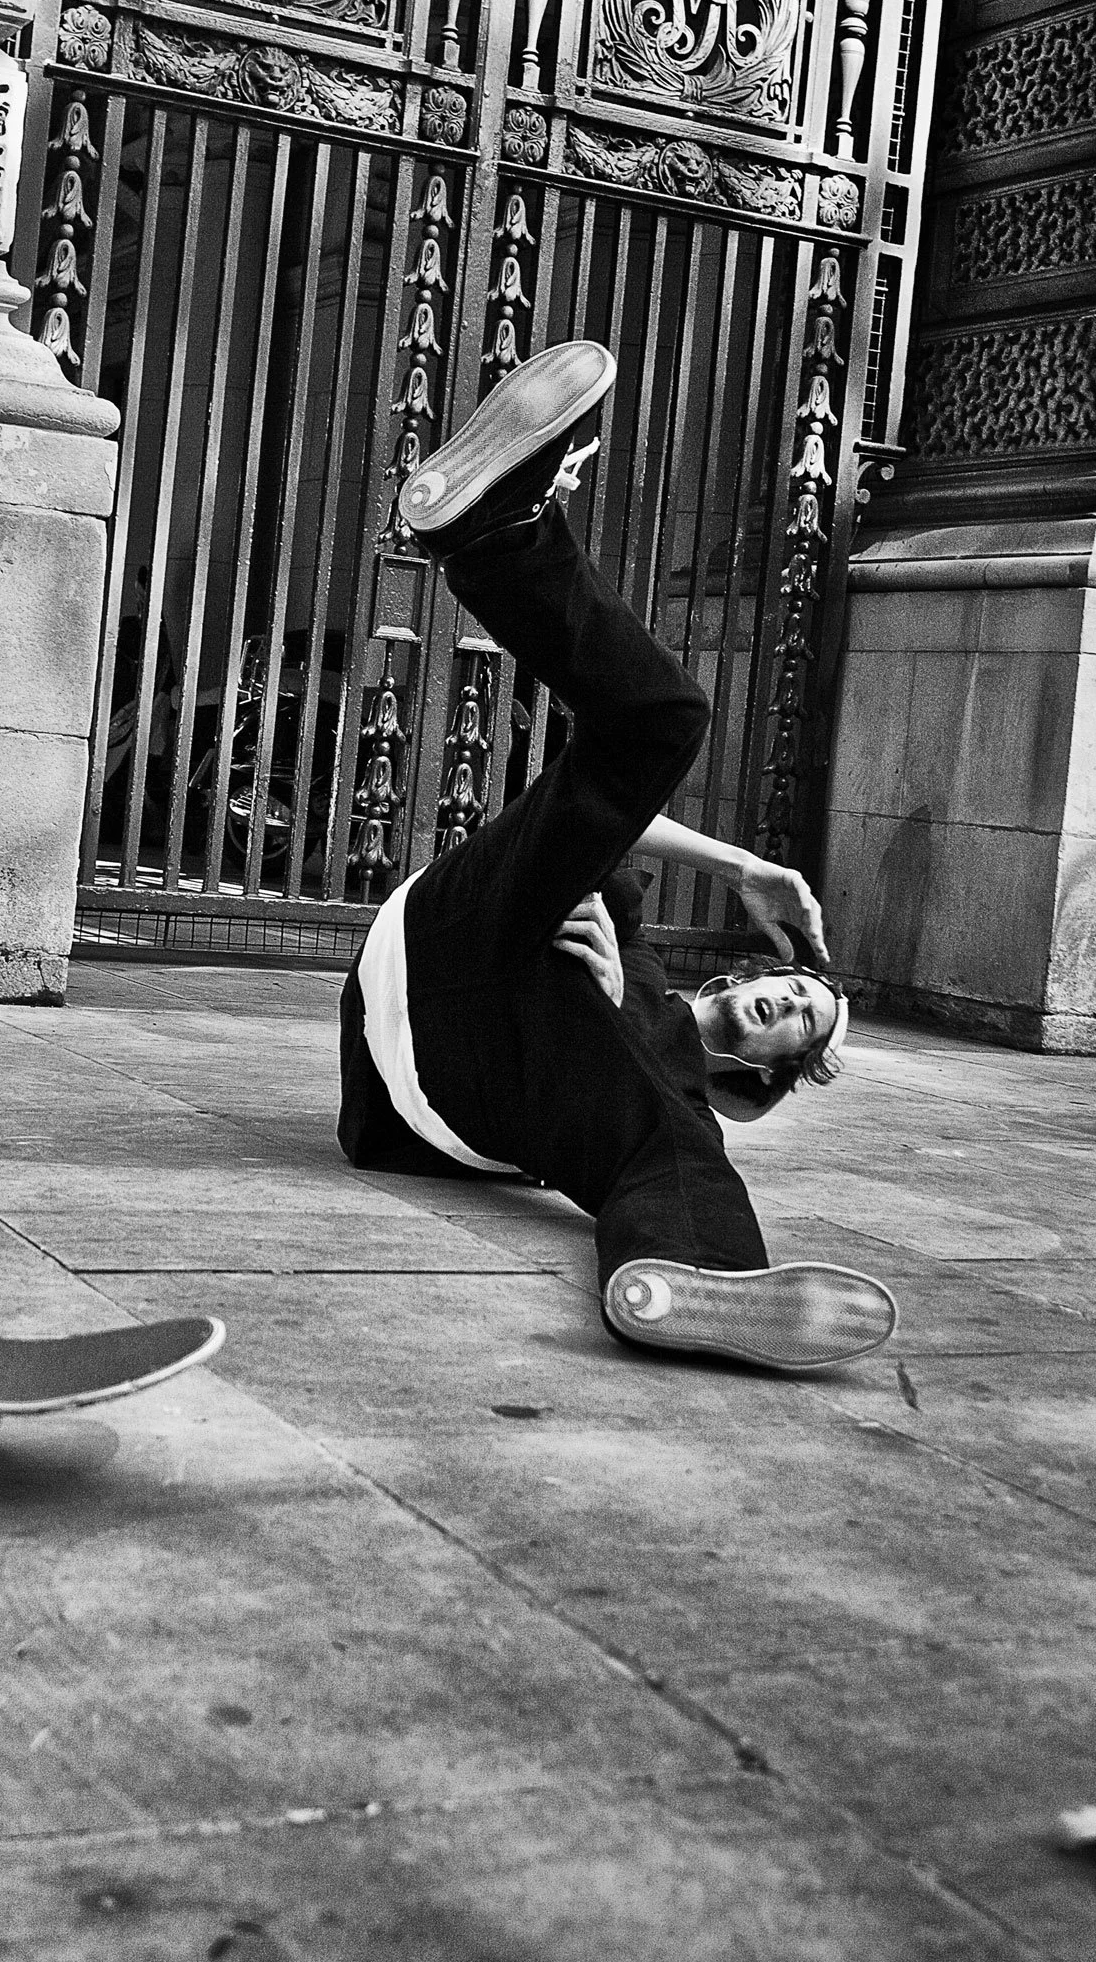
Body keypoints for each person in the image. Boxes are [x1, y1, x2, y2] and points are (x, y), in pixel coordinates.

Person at [337, 340, 897, 1374]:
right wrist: (739, 866)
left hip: (435, 1077)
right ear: (748, 971)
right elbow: (608, 816)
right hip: (448, 929)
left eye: (801, 1027)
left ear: (766, 1074)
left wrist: (605, 1015)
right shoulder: (638, 938)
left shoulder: (678, 1098)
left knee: (670, 1137)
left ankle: (703, 1284)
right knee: (661, 724)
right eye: (795, 988)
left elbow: (639, 1113)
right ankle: (500, 533)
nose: (788, 1005)